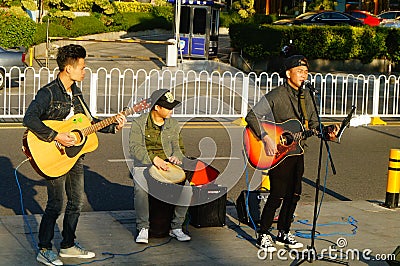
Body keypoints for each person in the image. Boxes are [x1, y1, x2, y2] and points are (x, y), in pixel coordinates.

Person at [23, 44, 126, 266]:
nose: (84, 70)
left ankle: (68, 245)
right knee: (55, 204)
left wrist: (112, 126)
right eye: (82, 66)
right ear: (68, 69)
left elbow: (86, 123)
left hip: (75, 155)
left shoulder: (76, 93)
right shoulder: (48, 92)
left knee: (76, 202)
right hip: (54, 155)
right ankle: (44, 248)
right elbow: (29, 118)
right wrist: (56, 136)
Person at [245, 55, 339, 252]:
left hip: (298, 151)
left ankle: (283, 232)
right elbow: (252, 116)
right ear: (288, 73)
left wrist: (327, 132)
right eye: (299, 71)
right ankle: (263, 233)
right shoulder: (277, 95)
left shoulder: (307, 97)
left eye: (306, 72)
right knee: (277, 194)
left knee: (294, 194)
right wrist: (266, 137)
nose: (303, 75)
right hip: (277, 153)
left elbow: (313, 125)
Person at [129, 89, 192, 244]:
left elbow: (179, 148)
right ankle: (143, 227)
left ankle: (176, 226)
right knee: (140, 188)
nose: (171, 110)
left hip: (167, 165)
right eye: (168, 107)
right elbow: (135, 148)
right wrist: (154, 159)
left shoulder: (173, 124)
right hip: (144, 164)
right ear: (157, 107)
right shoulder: (139, 123)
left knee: (187, 189)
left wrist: (176, 157)